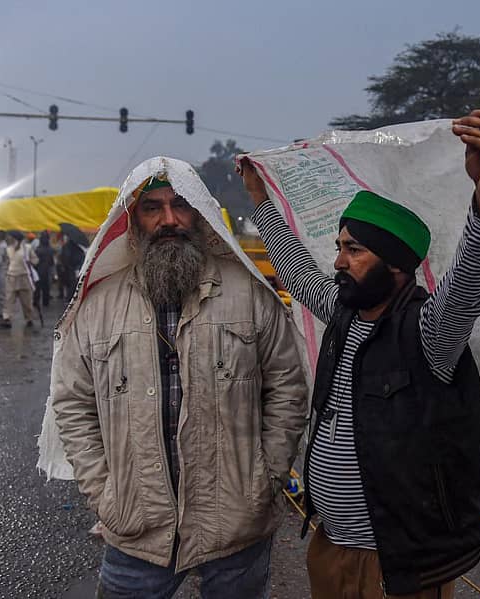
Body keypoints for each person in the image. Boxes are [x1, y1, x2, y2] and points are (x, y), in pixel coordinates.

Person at [239, 110, 480, 598]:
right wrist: (260, 198)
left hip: (396, 565)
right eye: (339, 246)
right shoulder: (344, 313)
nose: (338, 261)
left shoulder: (427, 332)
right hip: (330, 547)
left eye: (354, 250)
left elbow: (468, 288)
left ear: (396, 264)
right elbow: (297, 271)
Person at [50, 161, 308, 599]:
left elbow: (286, 386)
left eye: (180, 205)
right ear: (134, 220)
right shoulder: (99, 306)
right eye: (152, 207)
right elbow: (73, 402)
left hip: (236, 523)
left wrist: (266, 478)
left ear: (200, 214)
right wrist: (105, 493)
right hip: (137, 529)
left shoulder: (248, 293)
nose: (168, 220)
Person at [0, 231, 38, 328]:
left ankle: (29, 318)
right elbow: (6, 262)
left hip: (24, 277)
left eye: (10, 237)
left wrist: (30, 261)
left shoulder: (27, 248)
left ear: (15, 238)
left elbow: (35, 260)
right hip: (11, 277)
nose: (8, 239)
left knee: (26, 300)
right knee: (9, 299)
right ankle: (7, 318)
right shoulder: (8, 249)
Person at [33, 231, 55, 308]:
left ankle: (36, 301)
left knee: (37, 287)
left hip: (39, 269)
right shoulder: (50, 249)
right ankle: (45, 301)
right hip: (47, 270)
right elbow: (52, 262)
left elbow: (35, 261)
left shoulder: (38, 249)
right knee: (46, 287)